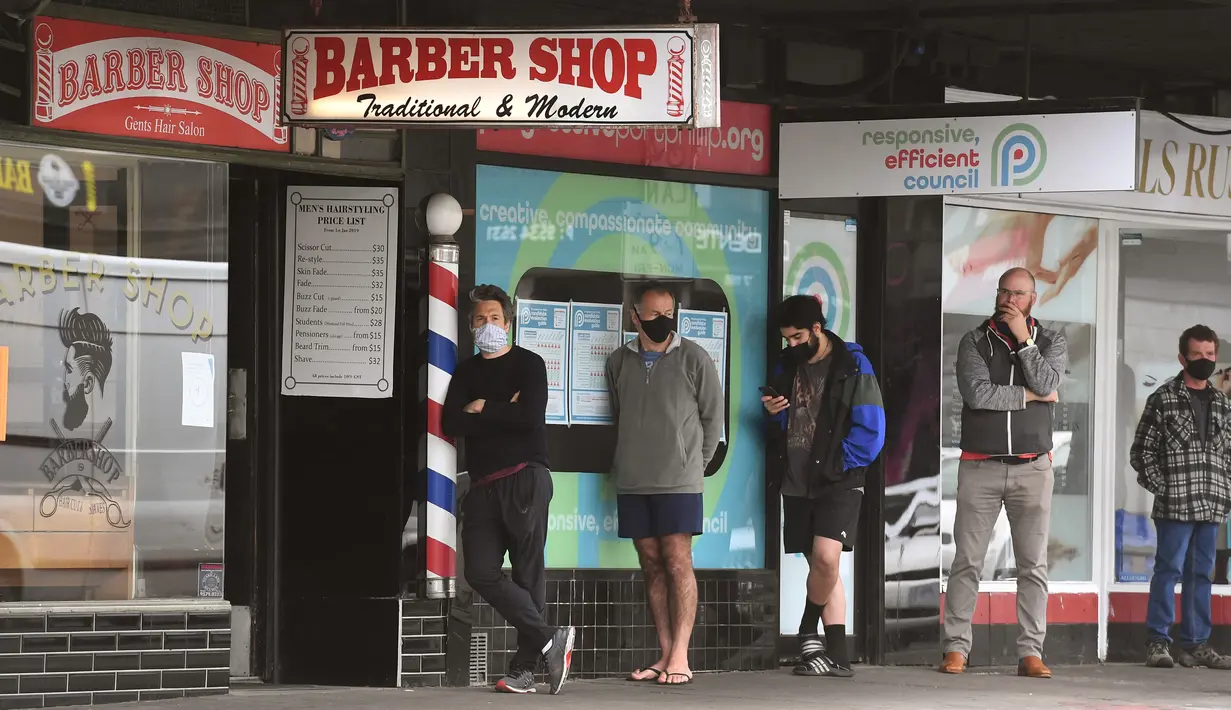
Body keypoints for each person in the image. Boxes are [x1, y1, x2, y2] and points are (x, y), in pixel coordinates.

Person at [441, 285, 575, 695]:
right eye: (480, 319)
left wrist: (482, 407)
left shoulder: (529, 364)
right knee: (479, 571)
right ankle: (551, 637)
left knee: (527, 573)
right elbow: (451, 424)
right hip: (482, 487)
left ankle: (524, 670)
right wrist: (503, 410)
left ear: (509, 322)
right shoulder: (465, 372)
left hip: (525, 478)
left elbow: (529, 416)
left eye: (495, 318)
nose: (488, 326)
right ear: (470, 326)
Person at [940, 267, 1067, 679]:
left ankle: (1031, 651)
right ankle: (956, 648)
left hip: (1034, 467)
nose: (1009, 300)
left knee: (1033, 564)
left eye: (1018, 294)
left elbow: (1050, 378)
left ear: (1033, 298)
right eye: (1003, 292)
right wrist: (1033, 396)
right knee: (968, 562)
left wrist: (1025, 342)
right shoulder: (974, 340)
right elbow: (978, 395)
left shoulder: (1051, 340)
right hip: (981, 466)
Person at [762, 295, 885, 677]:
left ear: (818, 328)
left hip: (839, 478)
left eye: (799, 337)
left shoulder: (852, 364)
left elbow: (873, 430)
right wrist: (773, 415)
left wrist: (839, 464)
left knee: (827, 558)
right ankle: (838, 656)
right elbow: (785, 423)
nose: (793, 345)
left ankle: (805, 629)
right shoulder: (786, 365)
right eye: (787, 339)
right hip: (797, 478)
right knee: (820, 564)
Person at [607, 282, 722, 686]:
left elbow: (714, 420)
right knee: (651, 565)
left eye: (668, 313)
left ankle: (682, 656)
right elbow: (620, 412)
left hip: (680, 483)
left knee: (678, 561)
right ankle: (664, 651)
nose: (661, 321)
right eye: (652, 314)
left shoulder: (695, 358)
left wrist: (694, 465)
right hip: (634, 481)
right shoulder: (618, 361)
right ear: (634, 316)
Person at [1132, 325, 1231, 670]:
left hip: (1212, 503)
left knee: (1202, 574)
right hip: (1175, 504)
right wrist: (1164, 487)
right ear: (1182, 358)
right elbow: (1141, 453)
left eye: (1209, 354)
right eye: (1196, 354)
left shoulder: (1222, 402)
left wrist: (1226, 492)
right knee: (1168, 570)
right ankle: (1158, 643)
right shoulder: (1162, 398)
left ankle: (1195, 645)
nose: (1204, 360)